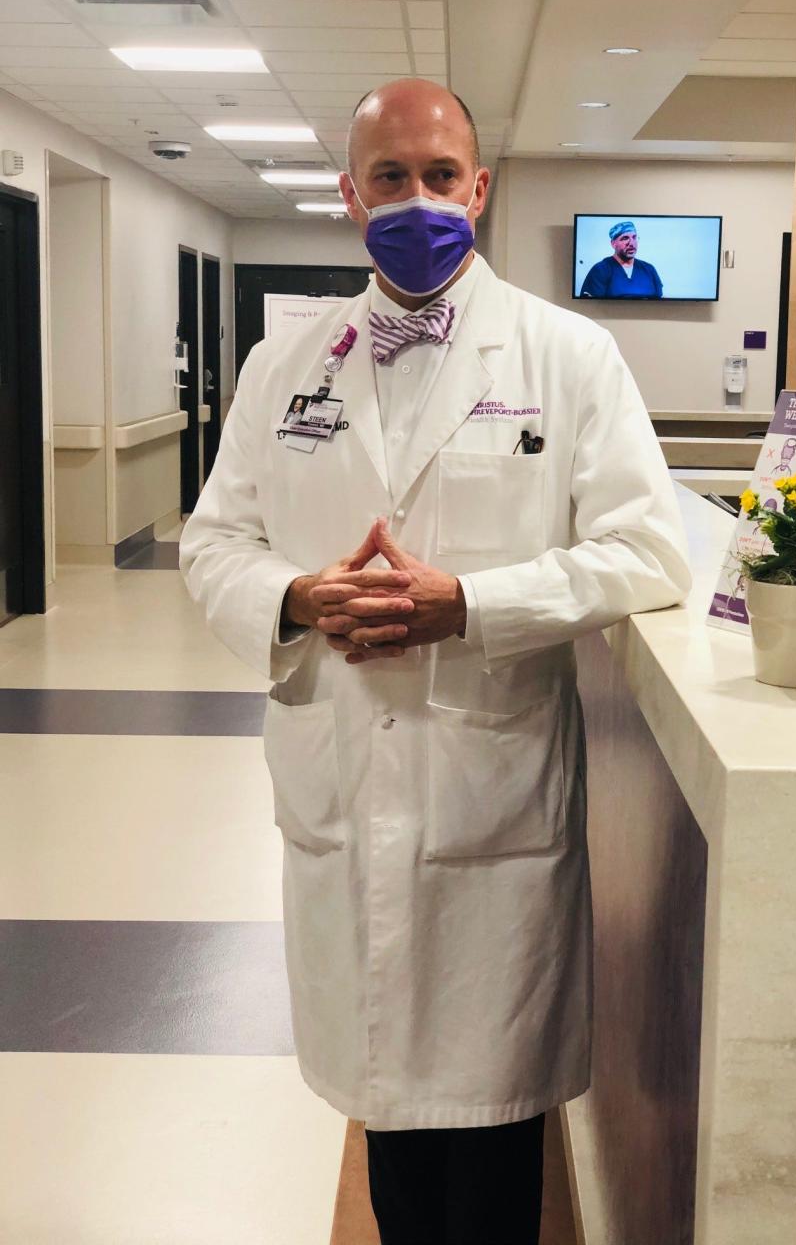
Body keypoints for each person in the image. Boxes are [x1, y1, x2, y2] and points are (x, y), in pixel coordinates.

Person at [180, 78, 690, 1245]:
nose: (420, 201)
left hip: (488, 795)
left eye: (442, 176)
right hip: (343, 781)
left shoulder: (569, 355)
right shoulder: (284, 364)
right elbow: (215, 541)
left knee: (493, 1134)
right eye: (392, 178)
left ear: (482, 188)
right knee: (387, 1120)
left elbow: (646, 548)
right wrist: (300, 597)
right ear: (349, 194)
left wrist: (468, 603)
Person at [579, 220, 663, 298]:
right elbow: (591, 305)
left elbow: (659, 303)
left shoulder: (649, 269)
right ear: (613, 243)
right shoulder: (601, 270)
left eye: (634, 237)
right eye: (625, 238)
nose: (631, 243)